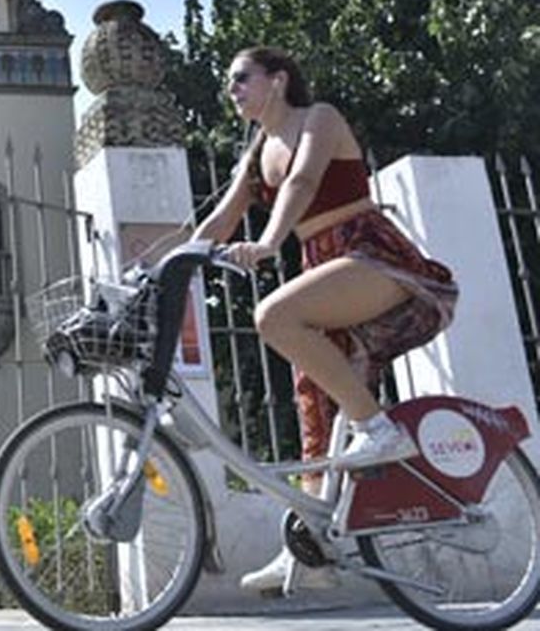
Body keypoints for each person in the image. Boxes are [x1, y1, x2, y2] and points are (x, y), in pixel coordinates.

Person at [190, 46, 458, 594]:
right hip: (323, 265)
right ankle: (307, 552)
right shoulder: (257, 151)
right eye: (229, 83)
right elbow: (221, 218)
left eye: (242, 78)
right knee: (314, 407)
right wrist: (161, 266)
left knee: (273, 315)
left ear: (279, 80)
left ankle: (381, 429)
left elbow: (302, 183)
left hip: (367, 253)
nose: (232, 90)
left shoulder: (320, 118)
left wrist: (267, 243)